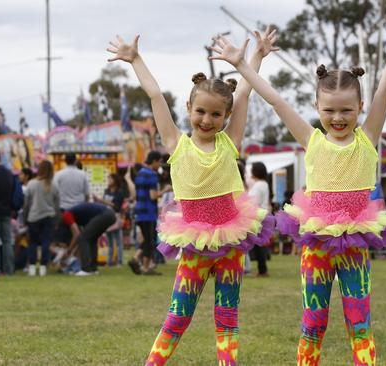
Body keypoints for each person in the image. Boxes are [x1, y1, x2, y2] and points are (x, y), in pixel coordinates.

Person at [210, 3, 386, 363]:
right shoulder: (312, 140)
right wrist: (243, 65)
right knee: (313, 321)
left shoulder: (367, 138)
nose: (337, 118)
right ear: (316, 106)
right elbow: (276, 100)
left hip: (354, 241)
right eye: (329, 110)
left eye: (346, 110)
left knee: (360, 323)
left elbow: (385, 90)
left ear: (360, 107)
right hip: (317, 242)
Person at [107, 28, 277, 365]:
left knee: (227, 317)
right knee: (178, 316)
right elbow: (156, 96)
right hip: (195, 243)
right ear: (189, 107)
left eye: (216, 114)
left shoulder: (230, 142)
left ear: (226, 117)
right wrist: (136, 60)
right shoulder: (176, 144)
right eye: (200, 111)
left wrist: (254, 57)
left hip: (230, 242)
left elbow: (243, 94)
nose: (207, 119)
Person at [56, 202, 116, 276]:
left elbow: (77, 235)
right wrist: (73, 252)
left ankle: (86, 270)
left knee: (83, 238)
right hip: (110, 214)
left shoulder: (66, 214)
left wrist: (69, 251)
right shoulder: (80, 217)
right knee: (92, 239)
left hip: (105, 214)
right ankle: (93, 269)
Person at [128, 151, 162, 275]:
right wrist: (165, 190)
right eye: (159, 162)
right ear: (154, 161)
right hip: (149, 212)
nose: (159, 165)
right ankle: (140, 262)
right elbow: (153, 196)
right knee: (150, 240)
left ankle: (141, 262)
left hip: (139, 211)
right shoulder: (152, 175)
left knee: (148, 239)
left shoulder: (140, 174)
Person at [23, 160, 59, 276]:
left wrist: (25, 218)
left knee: (32, 243)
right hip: (49, 217)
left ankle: (32, 267)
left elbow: (26, 203)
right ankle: (43, 267)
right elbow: (57, 205)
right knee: (46, 243)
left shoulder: (32, 184)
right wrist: (57, 220)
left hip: (33, 217)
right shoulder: (54, 185)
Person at [93, 172, 127, 267]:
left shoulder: (119, 192)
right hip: (107, 217)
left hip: (115, 217)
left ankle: (119, 261)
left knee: (118, 241)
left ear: (115, 180)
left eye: (110, 179)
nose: (109, 181)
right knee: (110, 242)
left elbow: (116, 206)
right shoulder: (106, 191)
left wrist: (102, 200)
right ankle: (109, 262)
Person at [247, 162, 270, 276]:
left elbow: (253, 201)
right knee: (258, 243)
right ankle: (262, 268)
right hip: (262, 214)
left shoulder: (258, 185)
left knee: (257, 244)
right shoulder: (263, 183)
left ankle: (262, 269)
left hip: (257, 216)